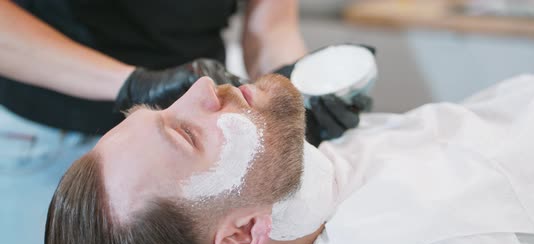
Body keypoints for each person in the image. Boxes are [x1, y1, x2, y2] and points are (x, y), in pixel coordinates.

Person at [45, 73, 534, 244]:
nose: (202, 88)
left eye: (162, 108)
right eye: (186, 134)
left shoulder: (319, 172)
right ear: (242, 235)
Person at [0, 0, 365, 146]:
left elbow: (271, 27)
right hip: (45, 129)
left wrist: (296, 91)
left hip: (190, 123)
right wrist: (130, 84)